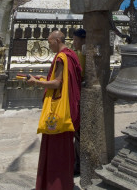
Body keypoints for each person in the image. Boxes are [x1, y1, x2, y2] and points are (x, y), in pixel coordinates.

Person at [28, 30, 81, 190]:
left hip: (57, 112)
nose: (49, 45)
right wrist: (43, 79)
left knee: (55, 150)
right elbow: (62, 81)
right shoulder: (71, 54)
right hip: (68, 109)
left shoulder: (61, 58)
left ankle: (54, 185)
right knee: (65, 149)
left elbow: (57, 83)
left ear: (57, 40)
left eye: (50, 42)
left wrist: (37, 83)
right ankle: (64, 183)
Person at [72, 28, 86, 176]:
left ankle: (80, 164)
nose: (73, 42)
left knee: (79, 134)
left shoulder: (82, 54)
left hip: (81, 97)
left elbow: (80, 76)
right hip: (79, 96)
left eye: (76, 40)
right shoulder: (80, 53)